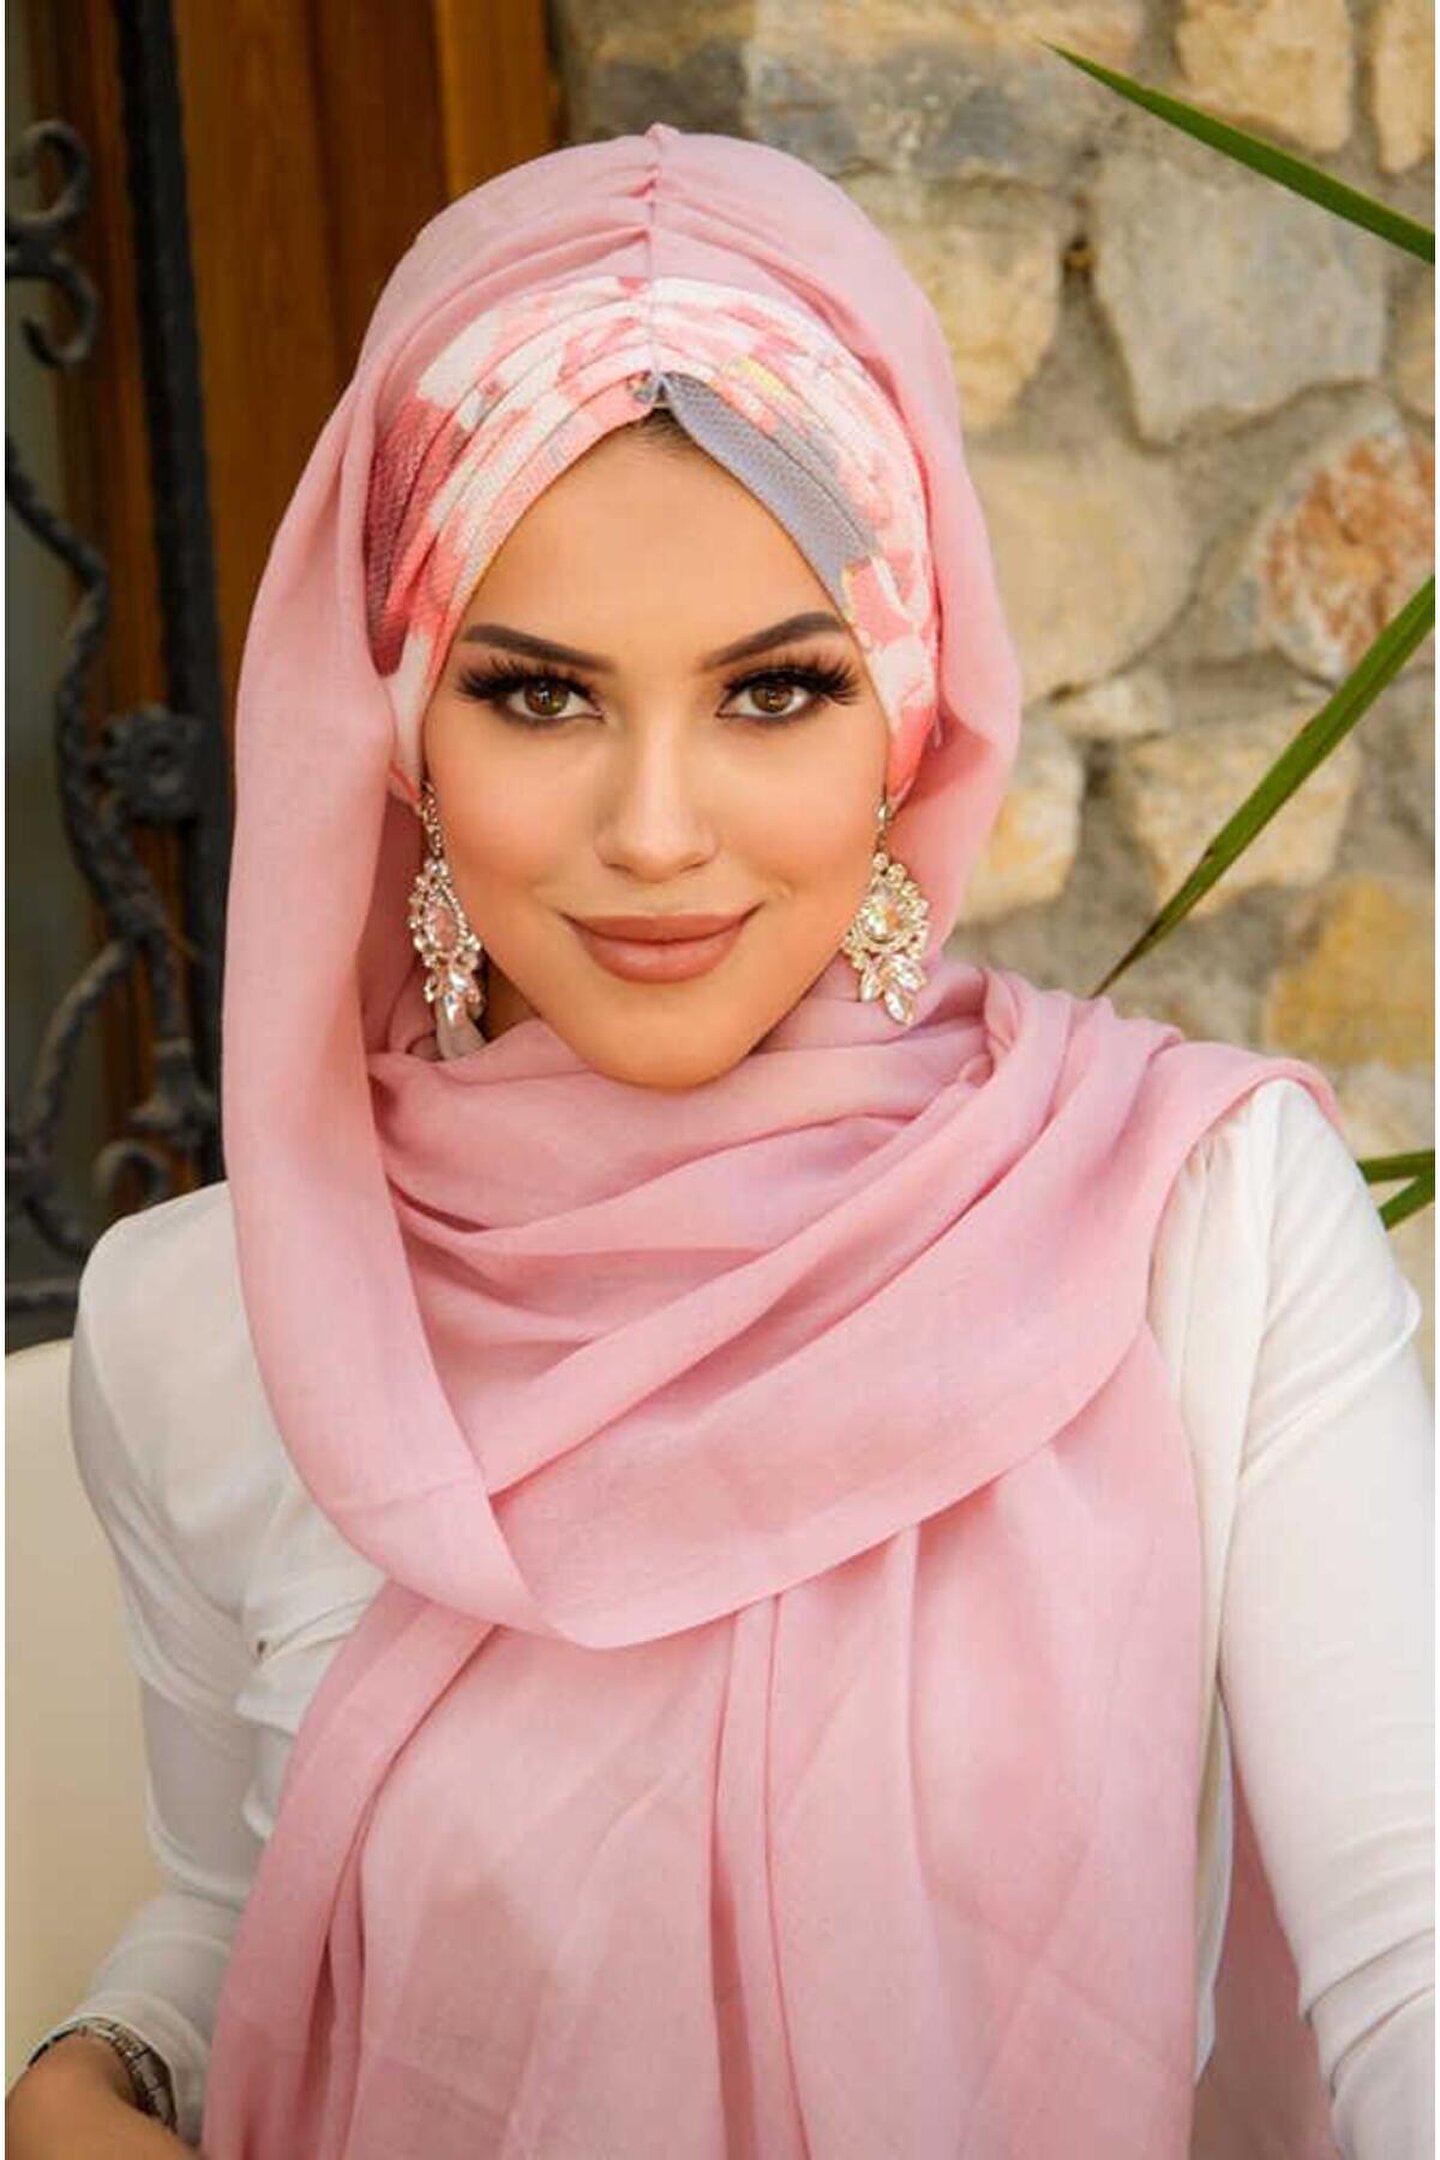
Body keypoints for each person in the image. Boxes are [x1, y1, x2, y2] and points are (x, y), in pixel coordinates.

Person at [6, 123, 1432, 2159]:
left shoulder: (1196, 1223)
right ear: (402, 728)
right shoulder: (210, 1323)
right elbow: (251, 1911)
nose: (657, 830)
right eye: (539, 697)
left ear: (907, 714)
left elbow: (1412, 1962)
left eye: (774, 693)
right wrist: (105, 2064)